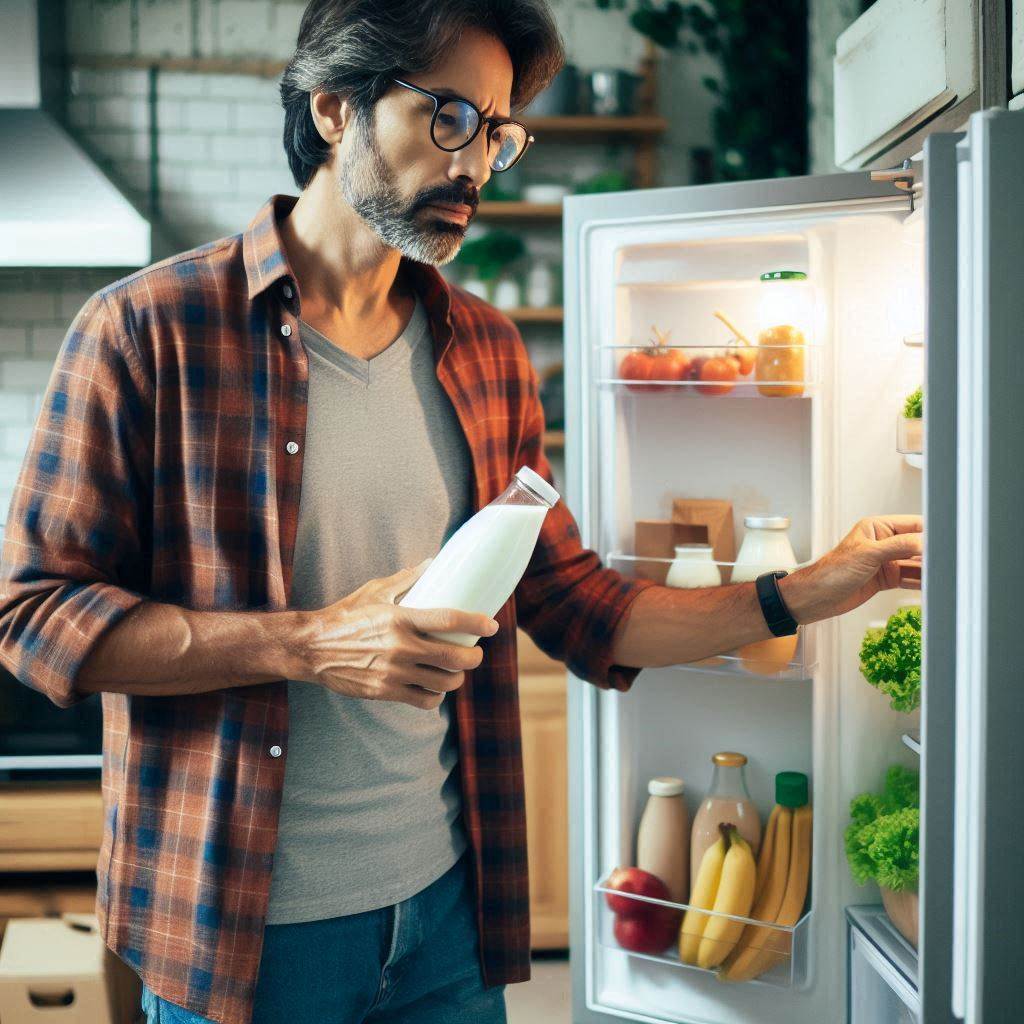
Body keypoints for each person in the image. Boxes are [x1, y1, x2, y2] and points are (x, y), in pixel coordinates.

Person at [0, 1, 922, 1022]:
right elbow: (33, 618)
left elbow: (581, 607)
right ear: (337, 109)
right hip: (244, 934)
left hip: (445, 924)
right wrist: (308, 642)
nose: (478, 163)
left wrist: (815, 586)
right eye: (449, 118)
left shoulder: (483, 348)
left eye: (497, 130)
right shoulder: (145, 331)